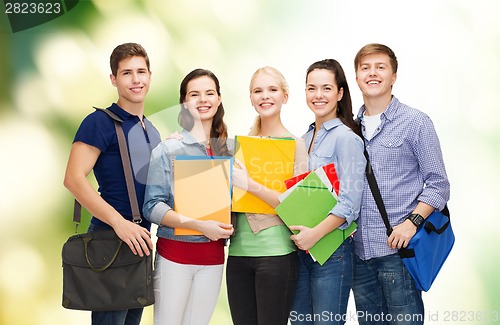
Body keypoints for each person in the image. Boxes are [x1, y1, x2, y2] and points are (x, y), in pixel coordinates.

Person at [351, 43, 450, 325]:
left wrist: (411, 223)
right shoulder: (349, 128)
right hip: (360, 255)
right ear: (357, 77)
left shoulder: (416, 123)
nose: (372, 73)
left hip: (399, 254)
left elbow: (439, 184)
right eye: (365, 68)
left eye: (380, 67)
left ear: (393, 76)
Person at [63, 42, 161, 325]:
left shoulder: (151, 130)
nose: (136, 79)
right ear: (113, 79)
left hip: (141, 241)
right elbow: (73, 179)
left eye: (141, 71)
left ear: (150, 76)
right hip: (111, 238)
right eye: (127, 73)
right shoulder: (99, 123)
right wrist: (120, 223)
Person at [143, 68, 234, 325]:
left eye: (209, 93)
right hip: (175, 258)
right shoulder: (169, 149)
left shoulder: (229, 150)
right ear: (184, 102)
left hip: (214, 260)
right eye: (194, 94)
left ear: (219, 99)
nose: (203, 99)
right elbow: (152, 207)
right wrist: (198, 225)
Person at [227, 66, 309, 325]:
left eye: (272, 90)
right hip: (237, 255)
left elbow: (296, 206)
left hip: (276, 254)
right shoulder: (238, 146)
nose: (265, 96)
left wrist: (249, 184)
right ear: (250, 98)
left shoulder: (296, 145)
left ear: (285, 96)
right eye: (258, 91)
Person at [288, 59, 366, 325]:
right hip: (300, 250)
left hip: (332, 252)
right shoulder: (303, 138)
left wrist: (315, 235)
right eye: (311, 88)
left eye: (326, 88)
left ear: (340, 93)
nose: (318, 95)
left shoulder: (347, 139)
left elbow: (350, 204)